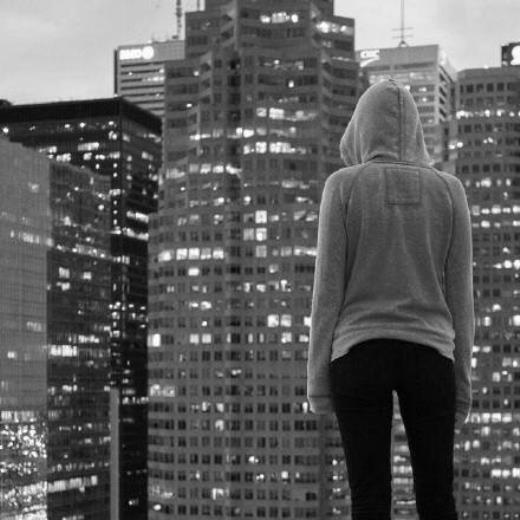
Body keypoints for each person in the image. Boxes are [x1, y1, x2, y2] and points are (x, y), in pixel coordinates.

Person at [306, 78, 474, 520]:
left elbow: (327, 293)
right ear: (417, 129)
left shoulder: (343, 186)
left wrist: (318, 380)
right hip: (430, 353)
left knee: (368, 500)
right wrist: (462, 383)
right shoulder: (449, 191)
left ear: (360, 128)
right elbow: (462, 300)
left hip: (358, 353)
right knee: (438, 499)